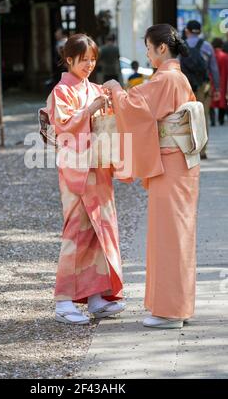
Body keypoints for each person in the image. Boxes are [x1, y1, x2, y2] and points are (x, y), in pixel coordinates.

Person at [104, 24, 204, 329]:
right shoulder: (174, 77)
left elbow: (135, 105)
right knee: (176, 235)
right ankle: (176, 307)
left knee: (169, 236)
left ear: (162, 48)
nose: (147, 53)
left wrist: (114, 89)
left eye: (148, 47)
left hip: (173, 164)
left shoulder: (168, 77)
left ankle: (170, 311)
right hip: (178, 163)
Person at [46, 33, 126, 325]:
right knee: (77, 233)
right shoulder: (60, 92)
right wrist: (89, 110)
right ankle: (64, 300)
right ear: (69, 60)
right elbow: (63, 127)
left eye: (93, 60)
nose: (89, 65)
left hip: (98, 168)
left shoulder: (94, 88)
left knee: (99, 231)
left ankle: (95, 297)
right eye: (83, 60)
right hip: (76, 170)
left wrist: (108, 104)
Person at [181, 20, 220, 159]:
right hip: (204, 86)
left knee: (186, 117)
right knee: (203, 117)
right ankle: (203, 150)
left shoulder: (182, 46)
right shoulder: (207, 46)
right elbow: (213, 69)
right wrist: (217, 88)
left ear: (187, 31)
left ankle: (189, 148)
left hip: (186, 87)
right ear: (200, 31)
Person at [210, 38, 228, 126]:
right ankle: (221, 119)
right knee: (222, 99)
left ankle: (213, 120)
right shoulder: (225, 56)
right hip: (223, 81)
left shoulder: (211, 55)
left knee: (211, 100)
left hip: (212, 80)